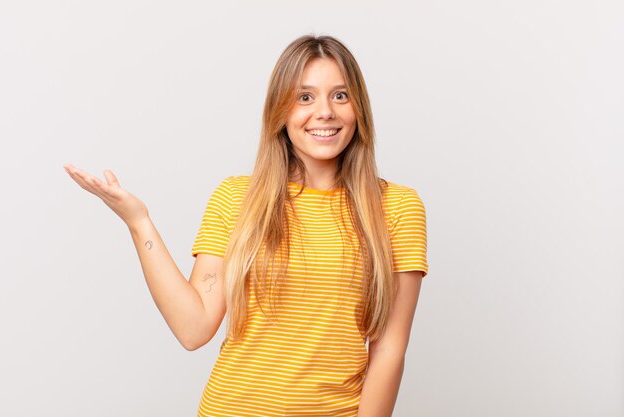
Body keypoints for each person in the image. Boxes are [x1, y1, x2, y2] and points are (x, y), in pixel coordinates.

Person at [64, 34, 428, 417]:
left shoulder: (397, 208)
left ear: (359, 108)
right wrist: (139, 223)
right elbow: (194, 328)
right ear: (280, 111)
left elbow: (389, 349)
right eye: (304, 97)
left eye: (340, 95)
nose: (325, 112)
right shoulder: (237, 198)